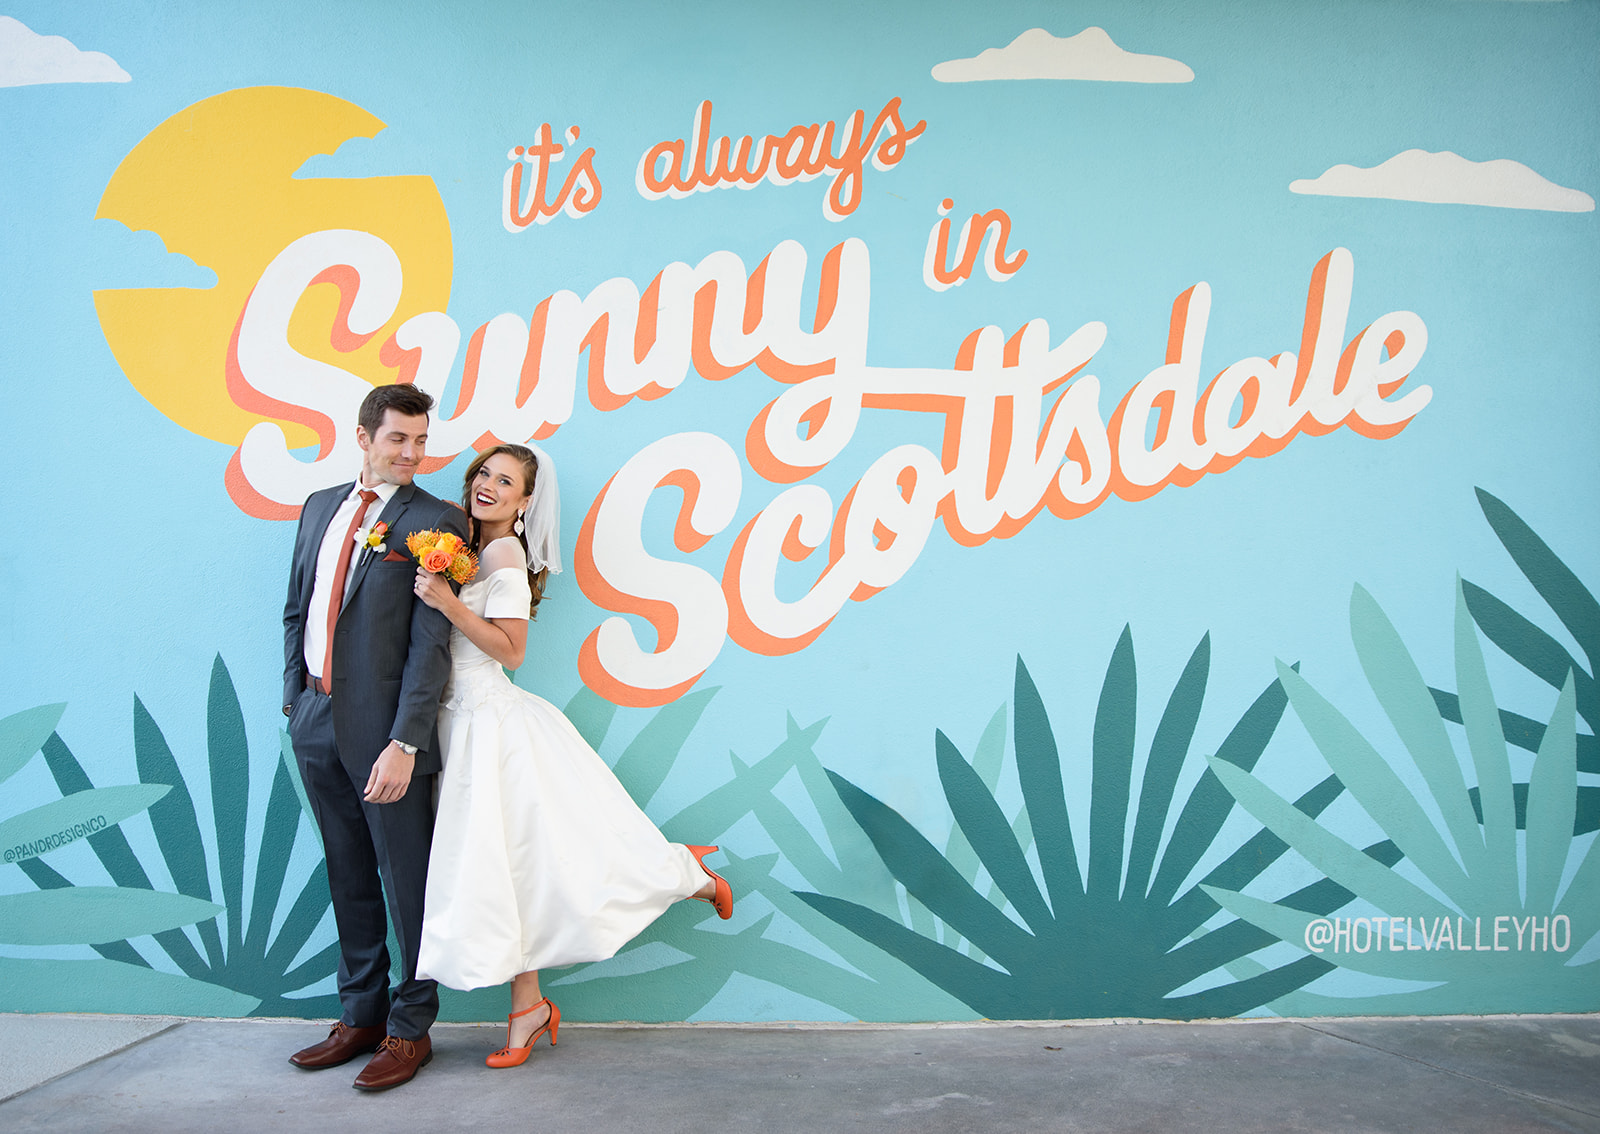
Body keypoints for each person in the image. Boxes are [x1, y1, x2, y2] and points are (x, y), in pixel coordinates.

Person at [413, 443, 732, 1068]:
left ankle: (687, 875)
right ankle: (528, 1008)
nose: (488, 485)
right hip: (456, 724)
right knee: (511, 873)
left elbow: (512, 651)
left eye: (506, 481)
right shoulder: (465, 548)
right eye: (484, 474)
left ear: (525, 502)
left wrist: (448, 603)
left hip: (489, 728)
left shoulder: (504, 554)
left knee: (522, 865)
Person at [281, 383, 467, 1091]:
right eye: (398, 439)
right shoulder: (319, 507)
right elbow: (297, 609)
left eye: (421, 441)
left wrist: (405, 742)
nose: (412, 453)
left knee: (406, 882)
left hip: (387, 736)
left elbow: (430, 647)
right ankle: (359, 1015)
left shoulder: (437, 521)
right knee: (347, 873)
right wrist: (296, 701)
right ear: (363, 437)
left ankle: (410, 1028)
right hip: (315, 719)